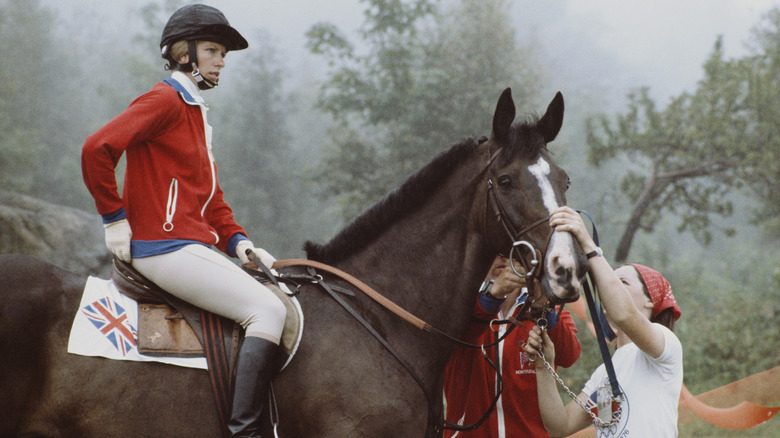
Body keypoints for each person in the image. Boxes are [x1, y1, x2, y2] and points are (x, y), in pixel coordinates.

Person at [81, 5, 284, 437]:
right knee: (267, 310)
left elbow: (210, 200)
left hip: (191, 246)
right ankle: (244, 431)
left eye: (223, 52)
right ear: (183, 53)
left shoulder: (194, 111)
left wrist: (239, 243)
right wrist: (114, 218)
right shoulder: (164, 100)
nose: (222, 60)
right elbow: (97, 148)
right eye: (212, 50)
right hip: (162, 248)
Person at [524, 206, 683, 437]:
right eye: (610, 285)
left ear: (651, 301)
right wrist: (543, 366)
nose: (609, 292)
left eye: (623, 284)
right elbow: (560, 426)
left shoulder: (665, 346)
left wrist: (588, 244)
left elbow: (624, 314)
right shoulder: (605, 373)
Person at [443, 255, 582, 437]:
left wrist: (543, 307)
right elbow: (451, 342)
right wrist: (492, 296)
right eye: (493, 250)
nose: (502, 256)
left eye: (510, 249)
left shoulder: (546, 305)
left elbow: (569, 355)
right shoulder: (456, 305)